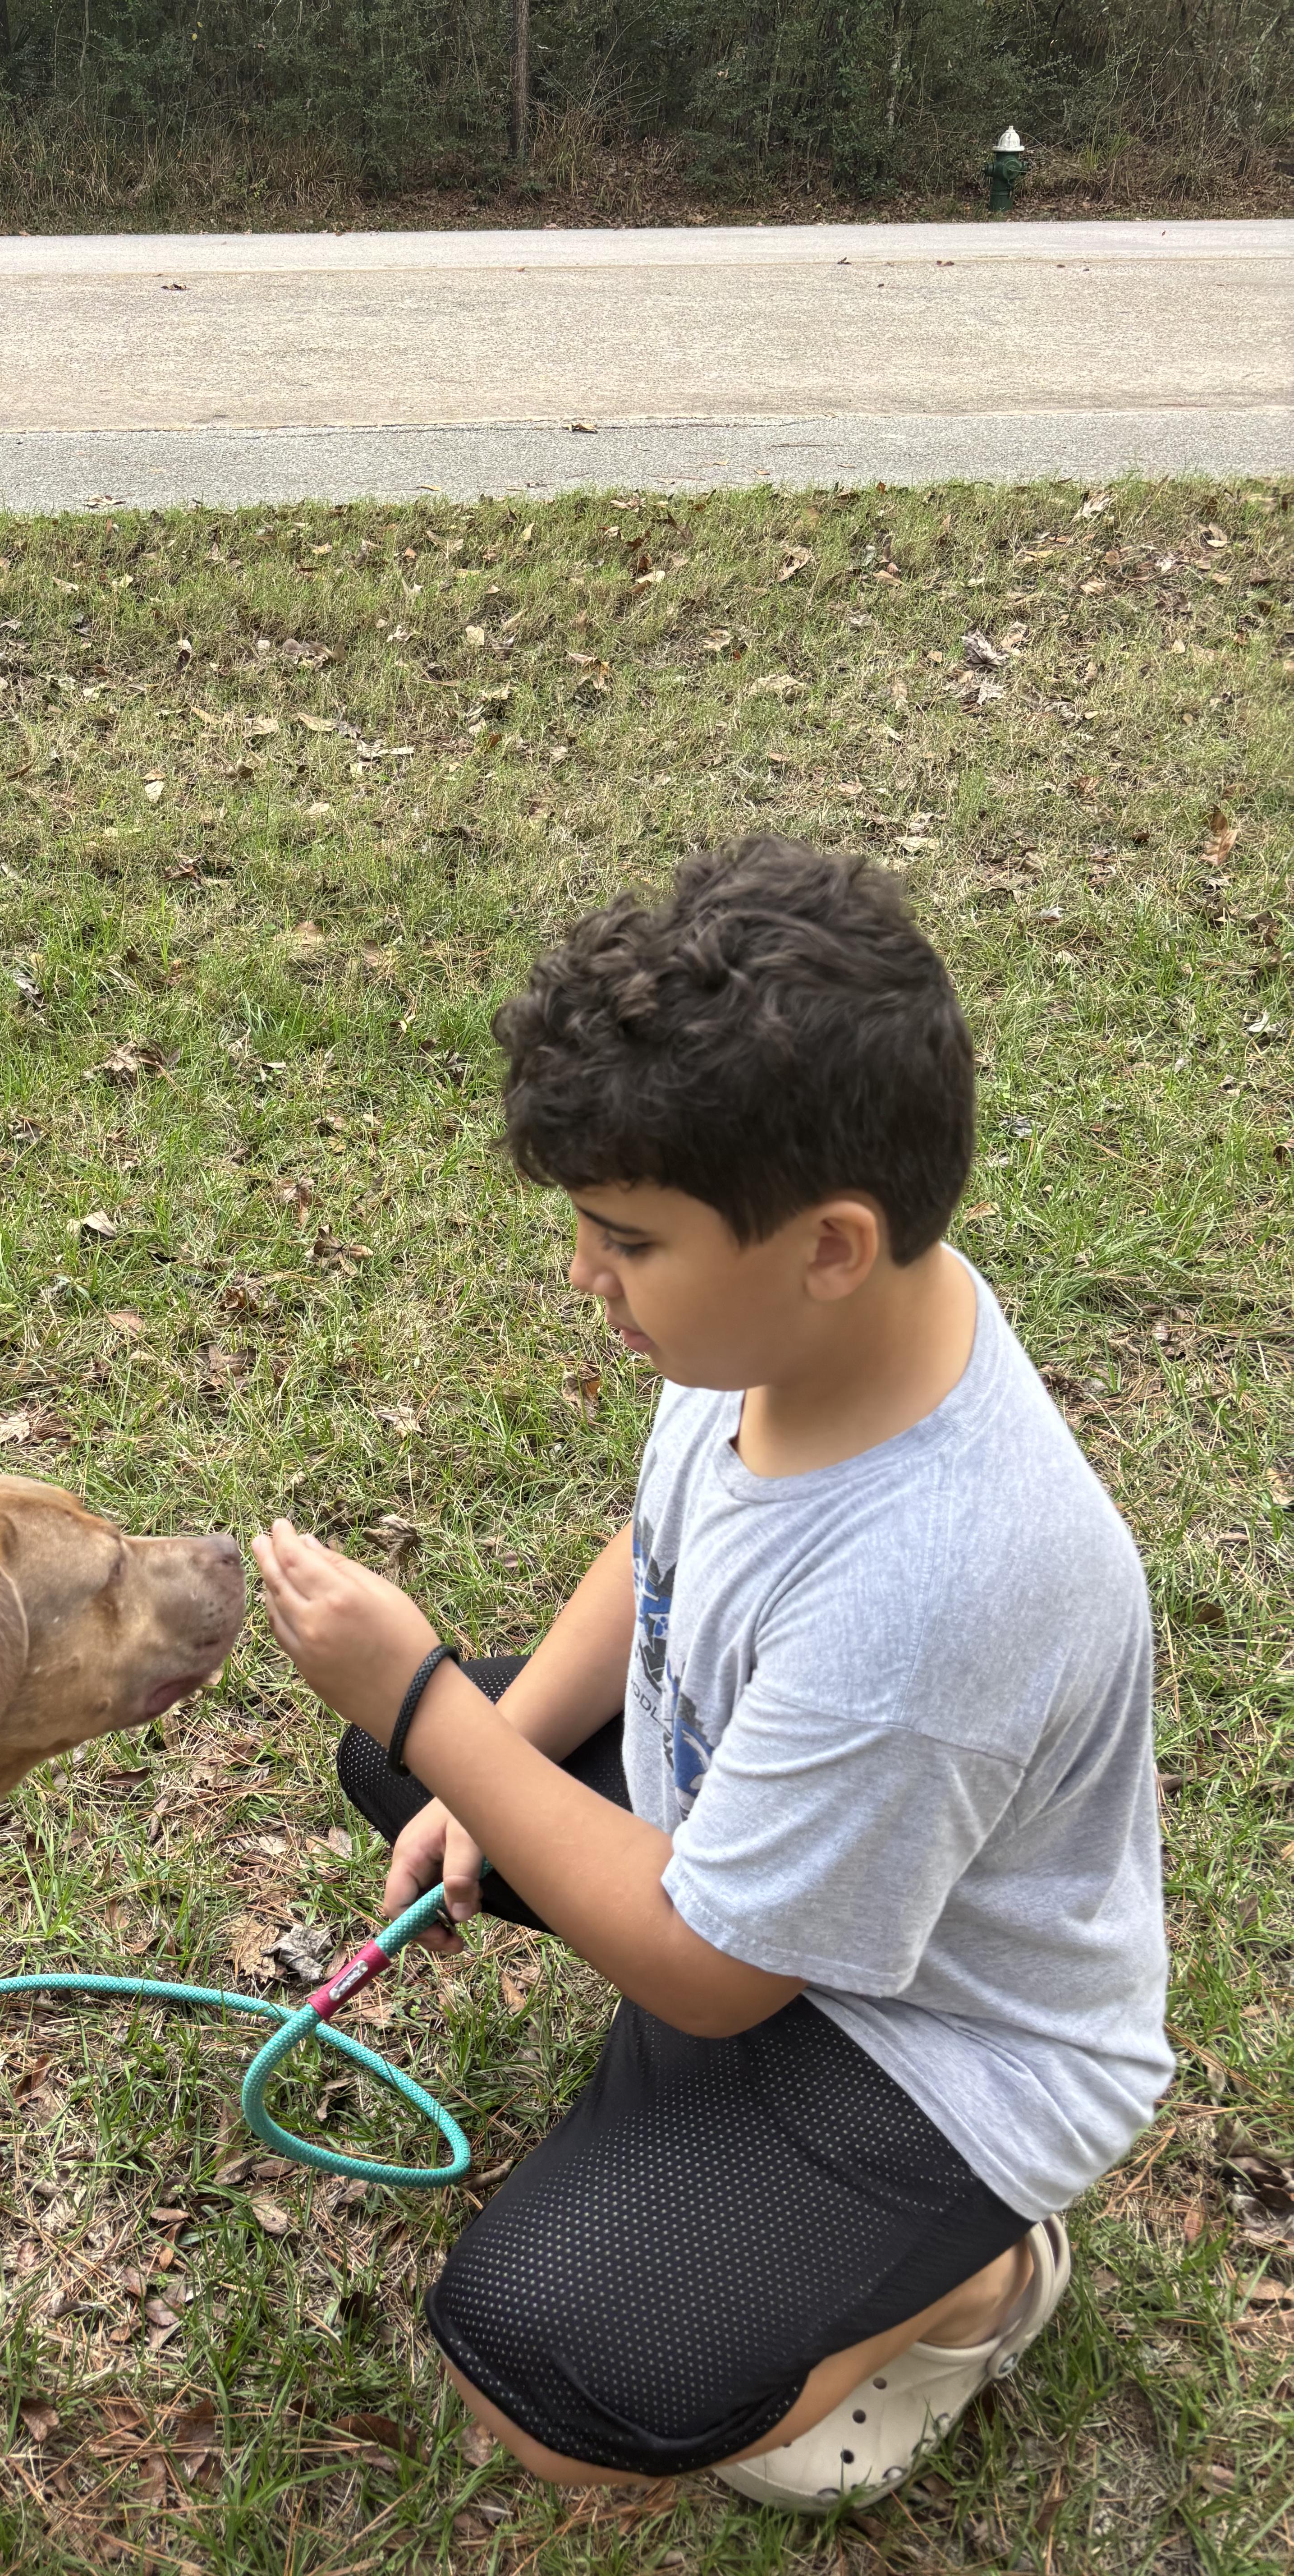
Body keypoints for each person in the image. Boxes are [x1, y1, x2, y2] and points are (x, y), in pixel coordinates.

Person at [250, 837, 1170, 2512]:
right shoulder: (804, 1329)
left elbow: (709, 1974)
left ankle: (975, 2280)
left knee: (553, 2390)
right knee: (419, 1778)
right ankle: (718, 2159)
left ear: (827, 1240)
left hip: (930, 2041)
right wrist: (481, 1745)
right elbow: (662, 1544)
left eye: (624, 1240)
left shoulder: (940, 1589)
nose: (583, 1279)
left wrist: (422, 1700)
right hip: (764, 1867)